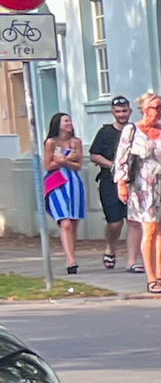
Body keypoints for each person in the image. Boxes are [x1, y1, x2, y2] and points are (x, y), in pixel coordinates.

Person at [116, 92, 161, 293]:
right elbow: (121, 159)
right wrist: (121, 183)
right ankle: (151, 276)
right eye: (157, 107)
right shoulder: (132, 131)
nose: (160, 111)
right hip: (143, 187)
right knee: (149, 230)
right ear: (145, 110)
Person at [88, 97, 136, 272]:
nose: (121, 114)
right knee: (115, 223)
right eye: (118, 111)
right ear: (112, 113)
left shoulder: (136, 131)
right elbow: (94, 155)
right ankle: (111, 247)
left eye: (124, 111)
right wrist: (113, 165)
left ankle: (132, 261)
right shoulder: (105, 132)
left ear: (130, 111)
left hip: (134, 181)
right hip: (110, 181)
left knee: (133, 221)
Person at [40, 114, 86, 275]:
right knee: (64, 222)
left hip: (73, 183)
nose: (69, 123)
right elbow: (48, 165)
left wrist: (63, 160)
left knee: (73, 222)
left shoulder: (76, 142)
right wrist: (68, 158)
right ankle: (70, 260)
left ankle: (71, 255)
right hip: (56, 182)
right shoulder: (51, 143)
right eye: (65, 121)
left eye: (69, 121)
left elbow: (78, 165)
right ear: (57, 124)